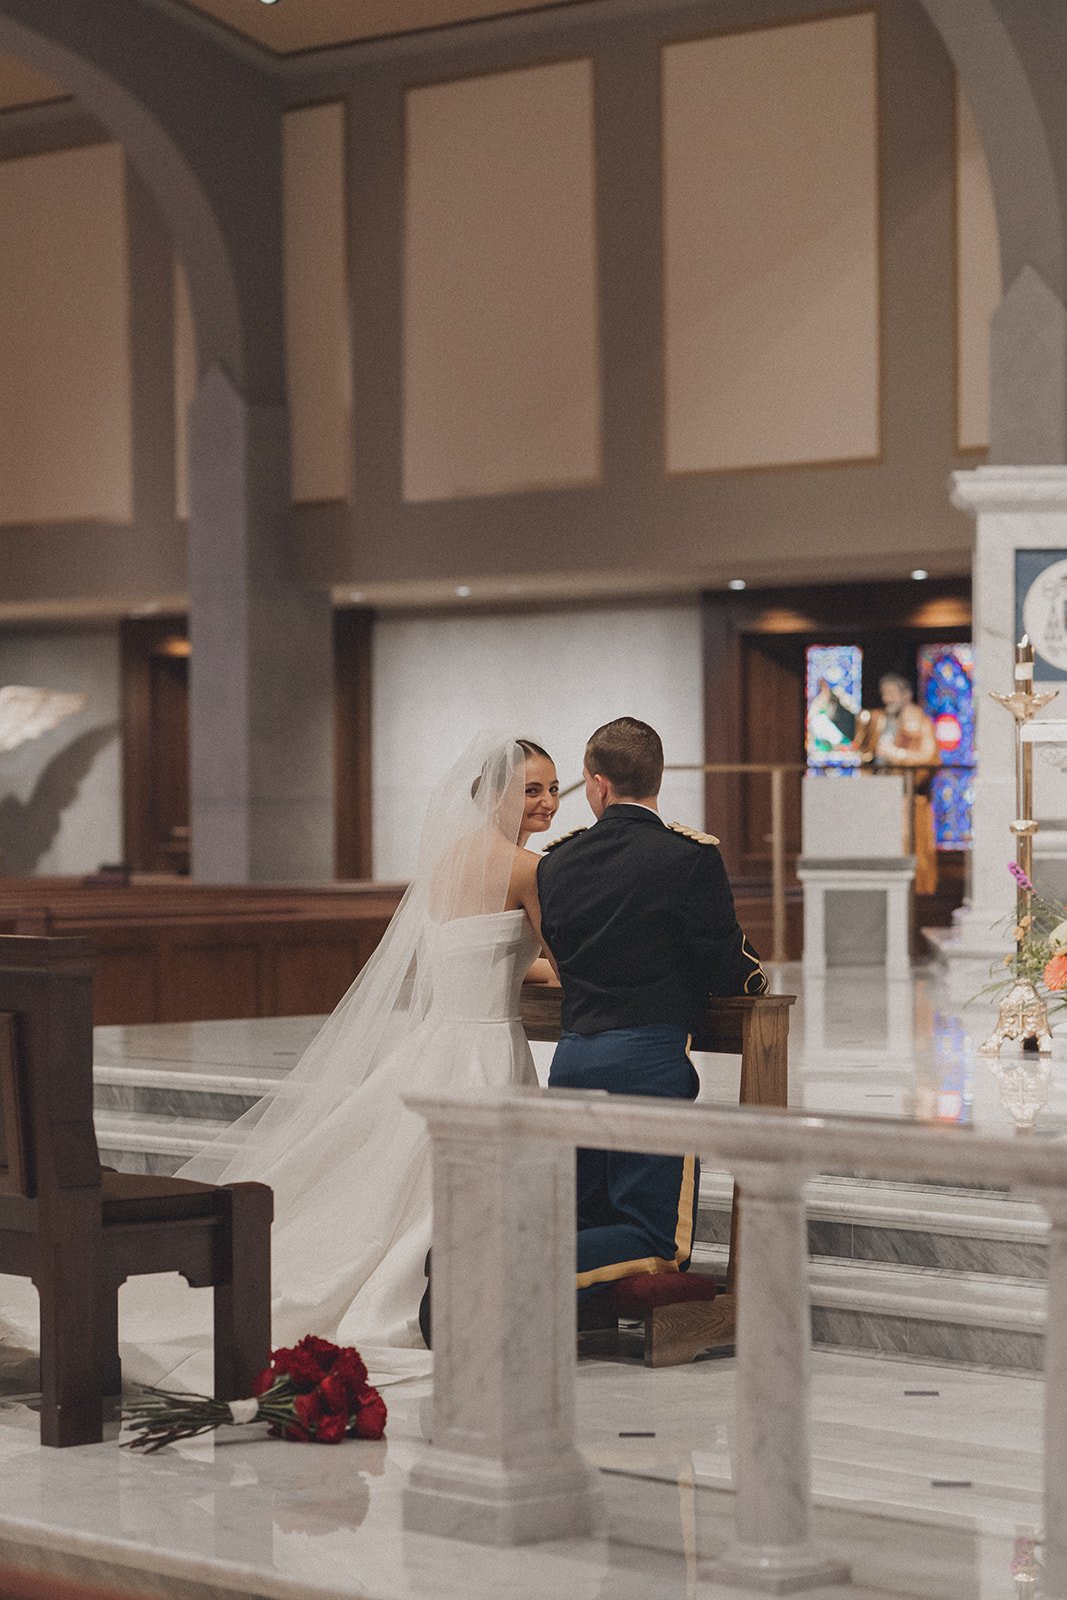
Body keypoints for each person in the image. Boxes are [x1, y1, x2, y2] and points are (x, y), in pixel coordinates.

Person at [0, 733, 560, 1392]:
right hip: (486, 1046)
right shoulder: (526, 868)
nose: (548, 802)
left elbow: (465, 956)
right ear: (493, 793)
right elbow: (559, 960)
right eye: (532, 789)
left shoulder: (445, 863)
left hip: (438, 1041)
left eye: (551, 789)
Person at [536, 717, 766, 1296]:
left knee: (586, 1215)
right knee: (656, 1240)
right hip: (648, 1065)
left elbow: (560, 953)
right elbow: (727, 961)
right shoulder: (687, 856)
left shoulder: (556, 862)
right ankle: (504, 1259)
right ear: (656, 779)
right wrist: (753, 979)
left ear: (597, 785)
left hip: (572, 1063)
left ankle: (504, 1253)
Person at [854, 672, 940, 894]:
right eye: (885, 693)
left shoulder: (921, 723)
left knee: (910, 849)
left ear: (906, 695)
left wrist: (897, 755)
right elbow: (864, 751)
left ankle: (915, 897)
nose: (887, 698)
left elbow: (929, 758)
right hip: (880, 797)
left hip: (909, 799)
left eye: (892, 693)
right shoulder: (879, 720)